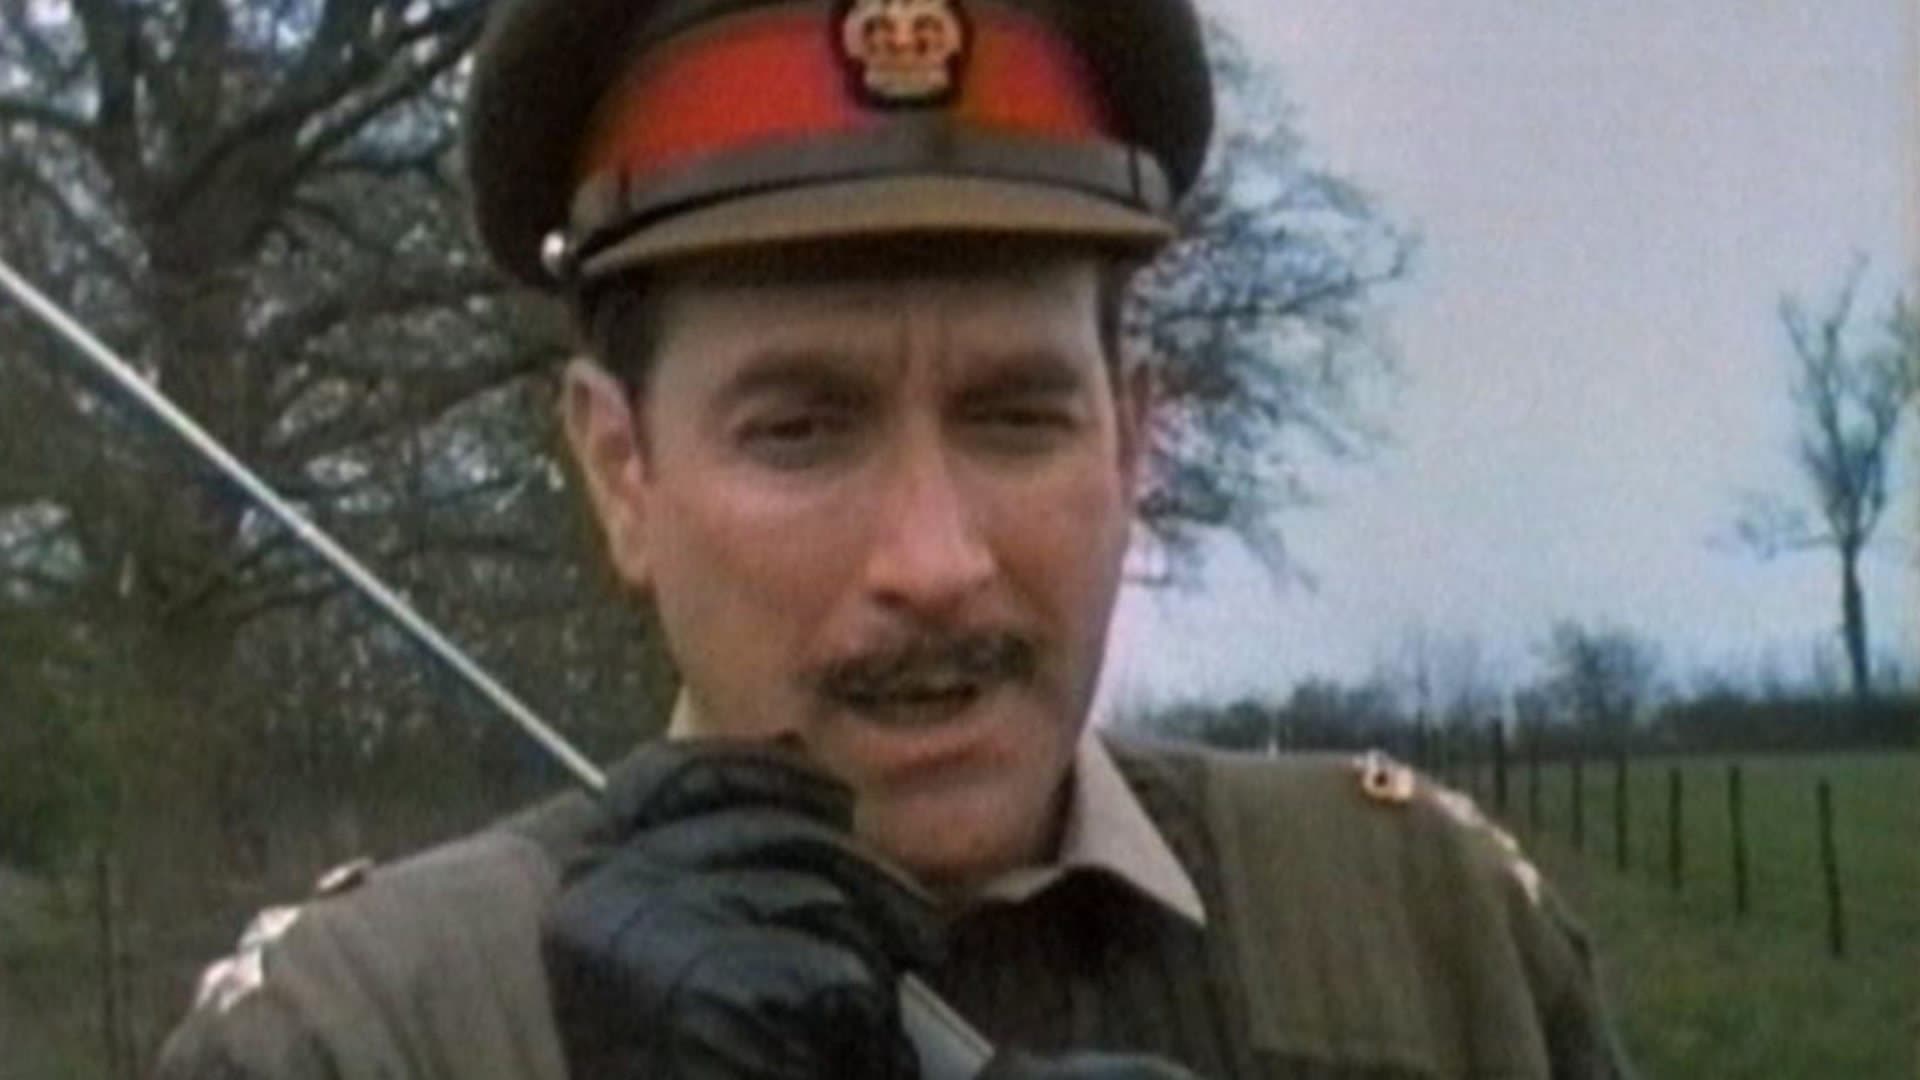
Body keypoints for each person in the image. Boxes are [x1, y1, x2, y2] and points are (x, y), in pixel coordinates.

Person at [159, 0, 1632, 1076]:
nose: (934, 563)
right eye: (803, 431)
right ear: (622, 473)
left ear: (1132, 439)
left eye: (1016, 418)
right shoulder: (361, 1037)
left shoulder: (1432, 943)